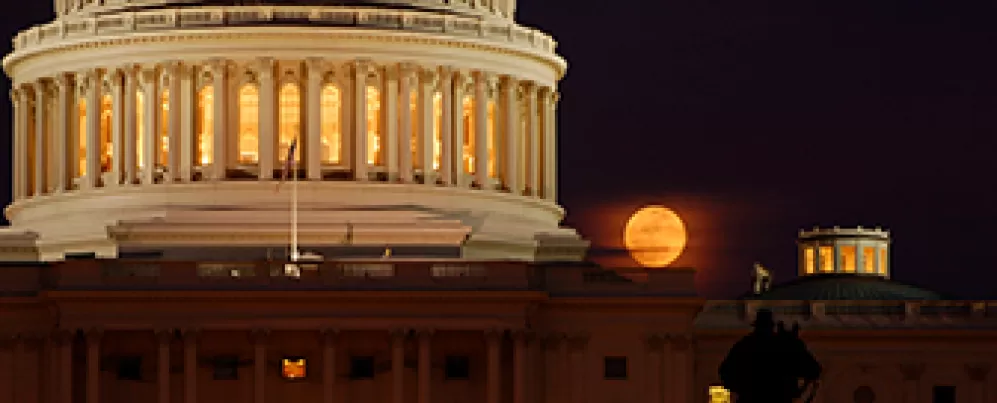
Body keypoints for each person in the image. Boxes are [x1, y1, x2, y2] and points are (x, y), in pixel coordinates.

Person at [719, 309, 822, 403]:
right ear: (771, 326)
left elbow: (725, 372)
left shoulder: (745, 344)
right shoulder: (783, 344)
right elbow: (814, 370)